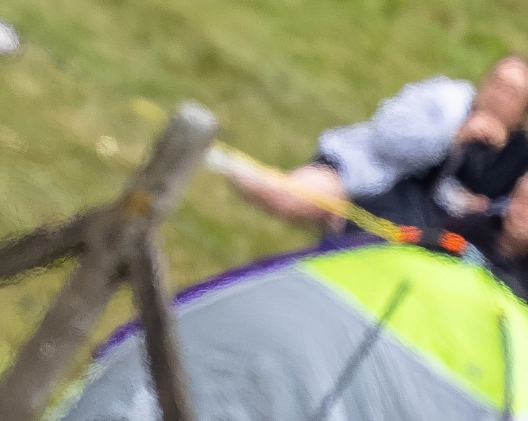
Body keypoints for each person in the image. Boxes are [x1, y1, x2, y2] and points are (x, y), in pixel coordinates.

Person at [226, 57, 528, 293]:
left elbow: (511, 219)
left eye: (512, 93)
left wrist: (484, 209)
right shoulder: (444, 100)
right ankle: (223, 163)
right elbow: (388, 139)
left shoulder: (518, 159)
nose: (499, 95)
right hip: (361, 179)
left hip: (422, 239)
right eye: (496, 82)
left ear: (522, 112)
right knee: (287, 197)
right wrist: (454, 137)